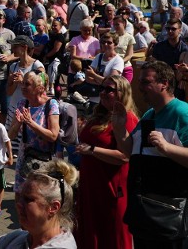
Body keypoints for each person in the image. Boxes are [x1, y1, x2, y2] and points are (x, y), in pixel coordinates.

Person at [112, 61, 188, 249]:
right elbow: (130, 151)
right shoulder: (149, 115)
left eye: (146, 82)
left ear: (164, 84)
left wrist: (167, 147)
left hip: (170, 220)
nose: (140, 87)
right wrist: (120, 128)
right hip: (144, 217)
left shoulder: (182, 114)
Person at [74, 76, 138, 249]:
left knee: (112, 238)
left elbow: (125, 156)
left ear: (122, 93)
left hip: (111, 191)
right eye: (102, 88)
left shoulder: (128, 119)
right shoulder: (98, 115)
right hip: (90, 187)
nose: (103, 92)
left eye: (109, 90)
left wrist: (92, 150)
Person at [7, 71, 60, 193]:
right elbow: (10, 135)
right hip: (25, 159)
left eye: (27, 84)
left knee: (40, 197)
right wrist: (20, 123)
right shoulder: (22, 104)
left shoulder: (51, 104)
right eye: (23, 83)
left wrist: (31, 122)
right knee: (21, 195)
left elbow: (53, 136)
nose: (23, 87)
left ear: (40, 88)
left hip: (45, 161)